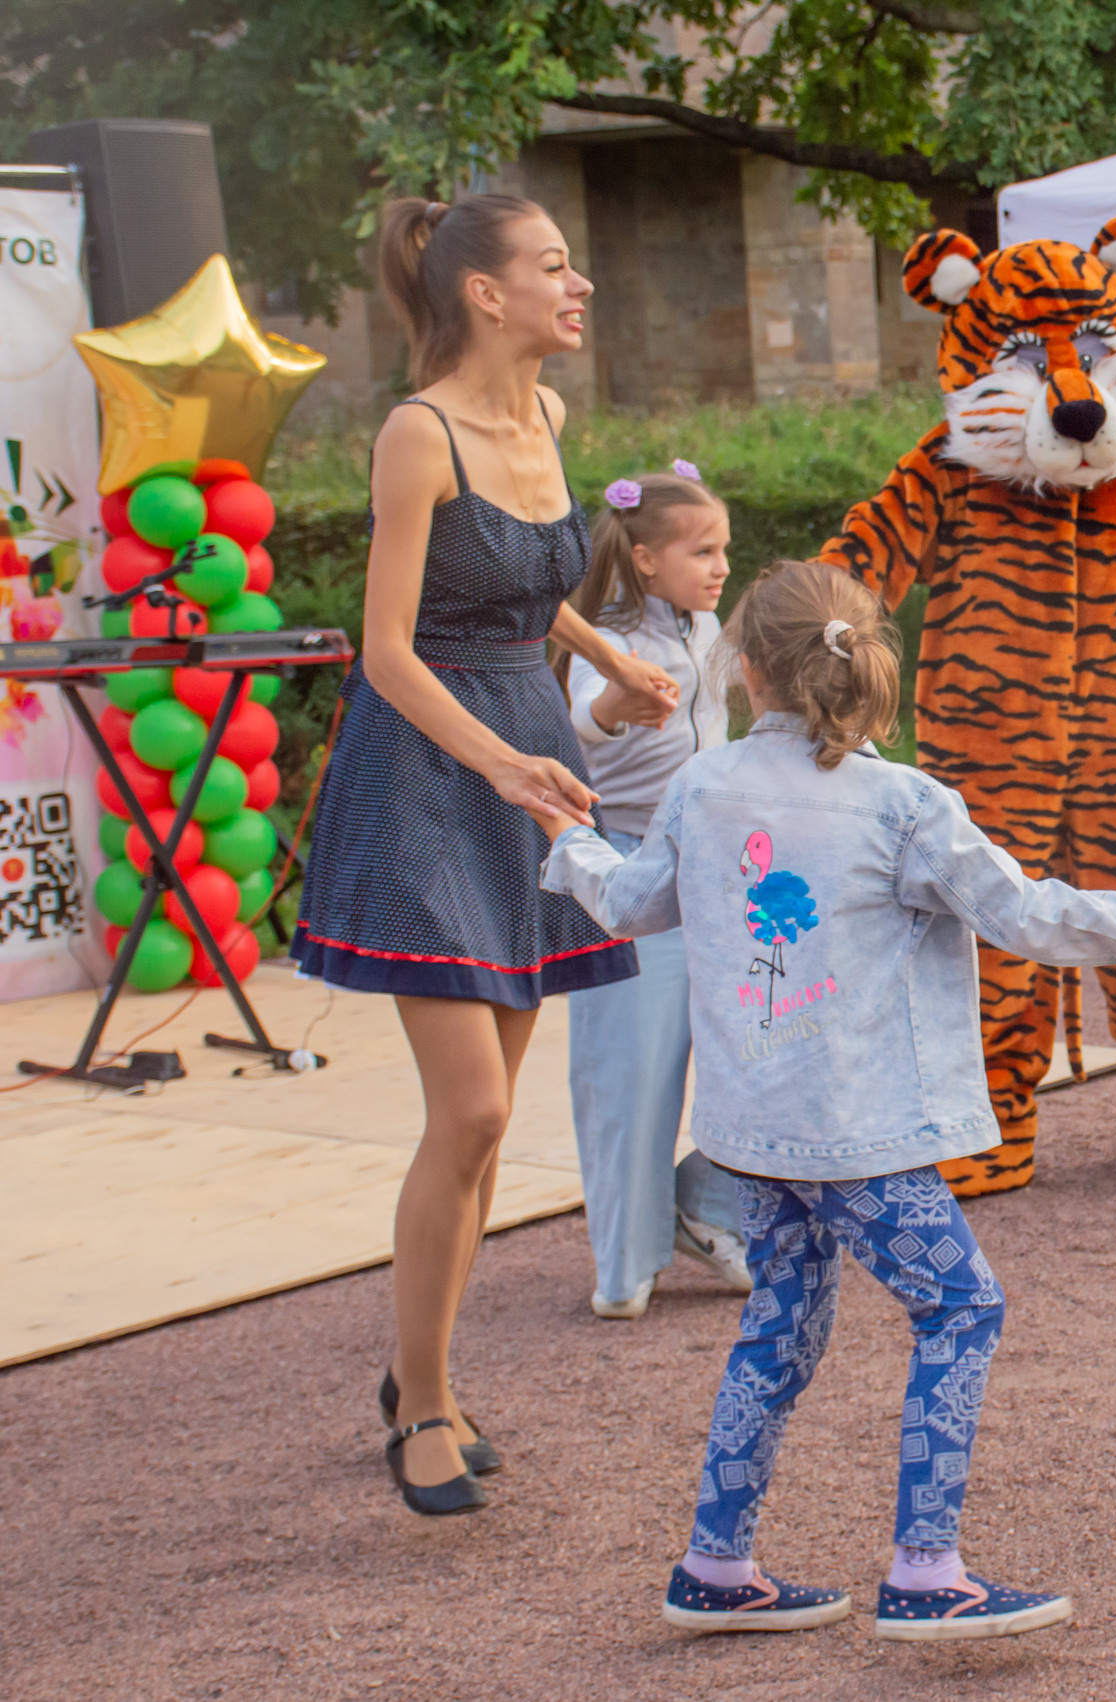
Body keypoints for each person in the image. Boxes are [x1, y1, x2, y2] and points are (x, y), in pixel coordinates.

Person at [533, 561, 1116, 1632]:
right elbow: (1036, 921)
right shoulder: (904, 805)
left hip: (750, 1132)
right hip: (856, 1130)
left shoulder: (705, 783)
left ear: (749, 667)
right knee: (960, 1307)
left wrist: (567, 835)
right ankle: (923, 1568)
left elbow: (630, 904)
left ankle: (716, 1565)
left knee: (780, 1324)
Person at [290, 193, 680, 1516]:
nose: (580, 285)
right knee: (471, 1110)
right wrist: (508, 763)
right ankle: (427, 1402)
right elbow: (388, 645)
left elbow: (517, 582)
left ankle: (422, 1377)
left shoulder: (550, 420)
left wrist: (604, 648)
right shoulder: (419, 432)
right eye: (554, 265)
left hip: (528, 766)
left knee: (489, 1118)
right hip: (429, 775)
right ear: (483, 294)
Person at [555, 465, 751, 1318]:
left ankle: (705, 1207)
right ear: (642, 558)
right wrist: (611, 711)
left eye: (724, 551)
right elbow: (575, 730)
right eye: (701, 551)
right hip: (630, 865)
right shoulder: (606, 641)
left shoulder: (708, 628)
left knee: (768, 1047)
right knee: (630, 1073)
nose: (719, 568)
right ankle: (626, 1263)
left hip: (718, 870)